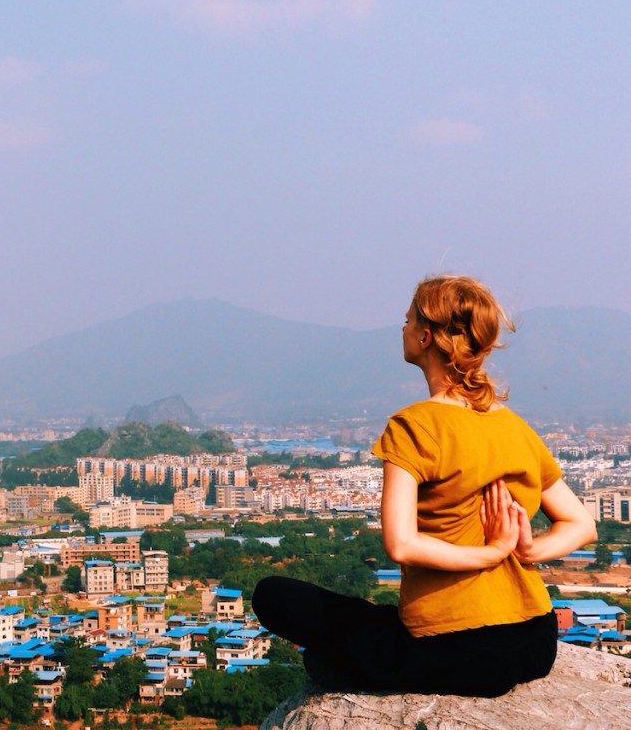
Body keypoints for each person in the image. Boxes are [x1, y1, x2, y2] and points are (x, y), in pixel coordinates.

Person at [252, 275, 597, 697]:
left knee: (273, 596)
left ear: (426, 337)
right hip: (535, 640)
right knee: (368, 629)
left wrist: (492, 551)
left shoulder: (413, 426)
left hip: (455, 645)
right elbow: (582, 524)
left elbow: (400, 545)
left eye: (409, 320)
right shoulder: (514, 426)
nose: (402, 328)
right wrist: (528, 549)